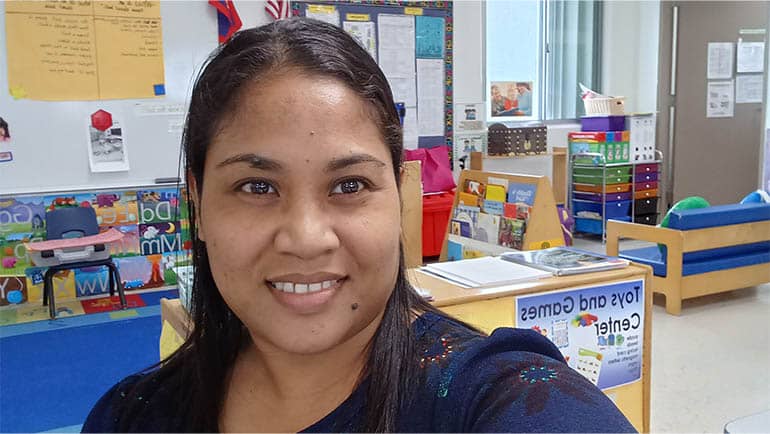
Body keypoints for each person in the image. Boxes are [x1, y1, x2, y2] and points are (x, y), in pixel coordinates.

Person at [82, 18, 635, 433]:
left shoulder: (491, 398)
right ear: (198, 204)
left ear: (397, 194)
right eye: (257, 187)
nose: (305, 237)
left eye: (349, 186)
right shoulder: (130, 418)